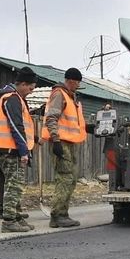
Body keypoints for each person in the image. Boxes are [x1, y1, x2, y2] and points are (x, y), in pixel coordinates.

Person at [0, 66, 37, 233]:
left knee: (13, 184)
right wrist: (24, 151)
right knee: (13, 186)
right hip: (9, 150)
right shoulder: (12, 99)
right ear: (22, 84)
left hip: (6, 149)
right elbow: (16, 126)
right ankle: (9, 221)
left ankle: (16, 217)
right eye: (30, 88)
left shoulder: (10, 98)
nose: (31, 91)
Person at [41, 67, 87, 228]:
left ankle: (63, 213)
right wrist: (56, 141)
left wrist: (88, 128)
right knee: (65, 178)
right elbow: (51, 118)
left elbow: (71, 122)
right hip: (61, 142)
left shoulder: (70, 97)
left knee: (71, 179)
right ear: (71, 81)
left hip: (69, 143)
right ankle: (57, 215)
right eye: (77, 82)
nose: (78, 85)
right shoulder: (59, 94)